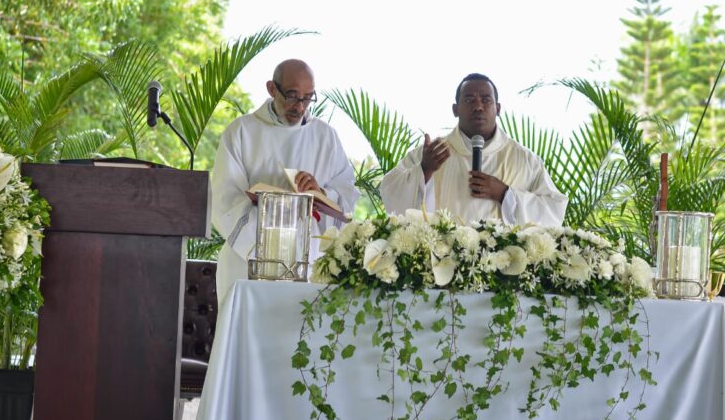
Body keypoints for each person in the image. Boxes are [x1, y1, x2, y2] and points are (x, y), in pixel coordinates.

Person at [211, 59, 360, 306]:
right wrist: (272, 211)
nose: (299, 107)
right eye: (292, 96)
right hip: (249, 267)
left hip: (308, 265)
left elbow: (347, 196)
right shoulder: (241, 132)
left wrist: (320, 193)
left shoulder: (326, 137)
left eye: (307, 98)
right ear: (272, 88)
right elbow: (224, 200)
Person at [380, 73, 566, 226]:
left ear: (498, 108)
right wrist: (424, 171)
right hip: (440, 266)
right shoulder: (430, 154)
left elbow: (554, 211)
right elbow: (390, 193)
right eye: (469, 100)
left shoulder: (526, 161)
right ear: (455, 109)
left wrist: (504, 194)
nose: (478, 107)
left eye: (486, 100)